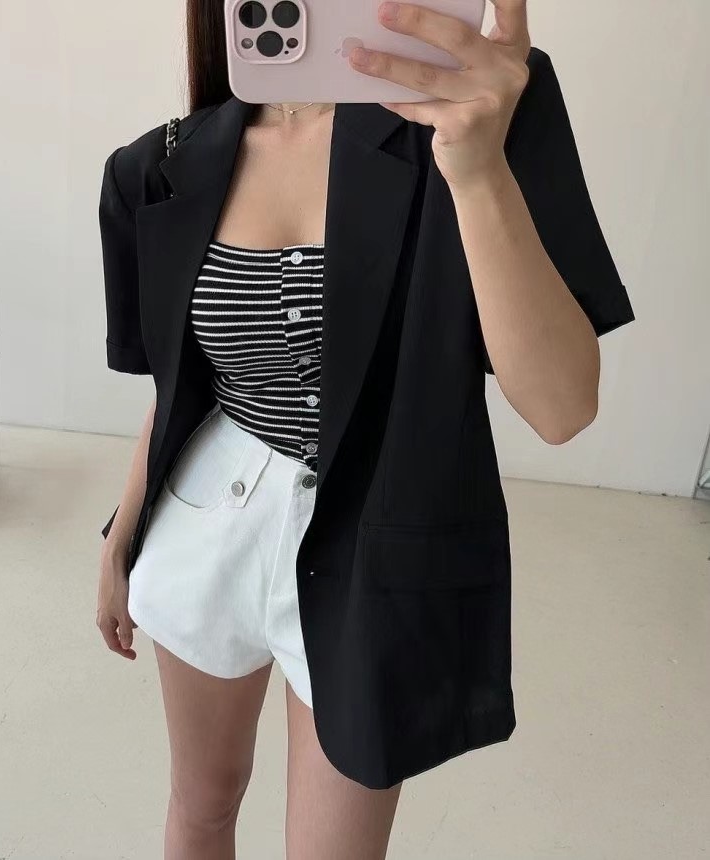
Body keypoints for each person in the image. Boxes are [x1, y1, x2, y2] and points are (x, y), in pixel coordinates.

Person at [96, 1, 635, 857]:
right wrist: (122, 536)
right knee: (201, 806)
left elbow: (564, 407)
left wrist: (479, 172)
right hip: (202, 525)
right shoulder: (156, 166)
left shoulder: (475, 109)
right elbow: (179, 388)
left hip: (373, 541)